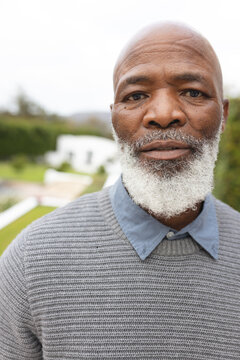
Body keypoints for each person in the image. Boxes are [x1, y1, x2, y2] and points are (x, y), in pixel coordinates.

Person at [1, 22, 240, 360]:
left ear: (224, 115)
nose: (163, 114)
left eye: (193, 92)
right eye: (136, 96)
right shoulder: (31, 261)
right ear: (114, 120)